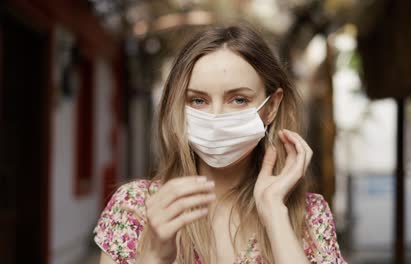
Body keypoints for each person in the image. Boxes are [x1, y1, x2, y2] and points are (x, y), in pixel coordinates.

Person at [94, 24, 346, 264]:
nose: (216, 116)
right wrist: (154, 257)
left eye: (238, 99)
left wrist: (274, 211)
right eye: (198, 101)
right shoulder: (136, 208)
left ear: (271, 107)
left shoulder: (309, 216)